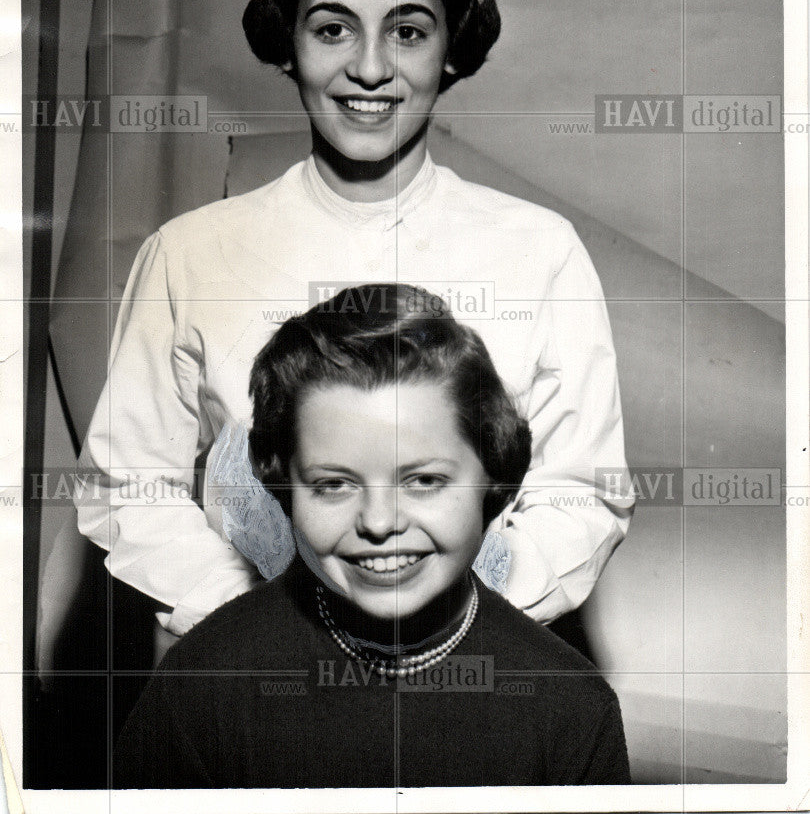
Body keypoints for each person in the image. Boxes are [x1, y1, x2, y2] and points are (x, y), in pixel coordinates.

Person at [75, 0, 632, 647]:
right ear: (288, 40)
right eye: (333, 29)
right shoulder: (189, 253)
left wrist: (466, 624)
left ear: (452, 49)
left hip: (467, 681)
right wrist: (248, 621)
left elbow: (584, 492)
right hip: (261, 684)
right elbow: (127, 482)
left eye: (407, 31)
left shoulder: (541, 251)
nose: (369, 69)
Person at [113, 285, 631, 788]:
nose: (380, 524)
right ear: (283, 486)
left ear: (493, 475)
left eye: (424, 480)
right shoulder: (203, 685)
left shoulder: (572, 707)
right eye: (333, 484)